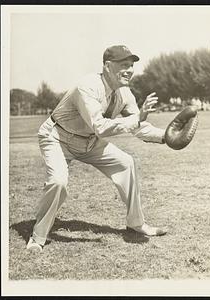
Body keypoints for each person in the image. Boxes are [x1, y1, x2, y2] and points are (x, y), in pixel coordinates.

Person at [27, 45, 167, 252]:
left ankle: (136, 223)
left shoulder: (125, 94)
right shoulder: (88, 86)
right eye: (124, 65)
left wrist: (166, 136)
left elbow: (138, 126)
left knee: (126, 163)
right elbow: (100, 127)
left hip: (90, 142)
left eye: (131, 65)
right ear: (108, 66)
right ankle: (38, 237)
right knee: (58, 181)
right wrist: (137, 118)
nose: (129, 70)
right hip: (57, 137)